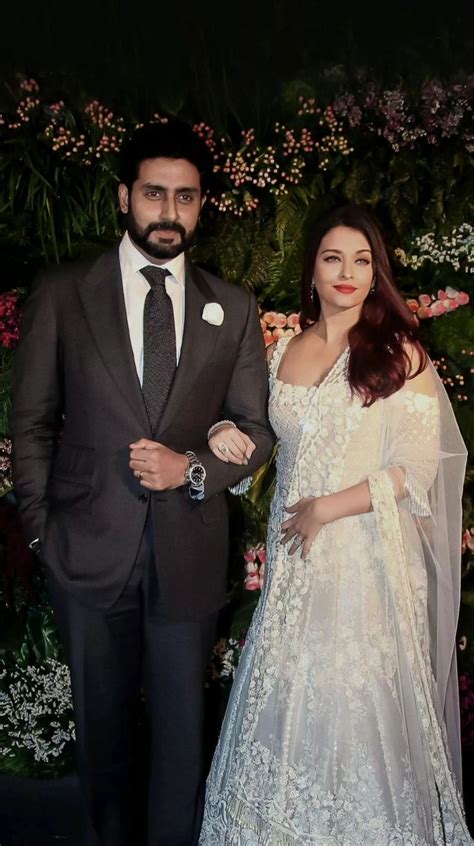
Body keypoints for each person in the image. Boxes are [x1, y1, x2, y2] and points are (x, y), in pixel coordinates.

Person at [11, 119, 274, 846]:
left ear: (202, 204)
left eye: (185, 197)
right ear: (125, 196)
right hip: (86, 550)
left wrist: (194, 468)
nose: (169, 211)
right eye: (155, 193)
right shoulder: (64, 293)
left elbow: (254, 429)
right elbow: (31, 423)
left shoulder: (233, 307)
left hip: (188, 552)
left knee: (181, 740)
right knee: (103, 741)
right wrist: (40, 533)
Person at [199, 205, 471, 844]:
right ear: (313, 271)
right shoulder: (283, 352)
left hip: (363, 561)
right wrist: (222, 432)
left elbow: (418, 469)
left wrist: (329, 506)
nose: (347, 272)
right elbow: (261, 436)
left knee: (353, 702)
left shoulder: (399, 354)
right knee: (284, 694)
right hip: (295, 563)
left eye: (361, 260)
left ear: (376, 274)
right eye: (333, 258)